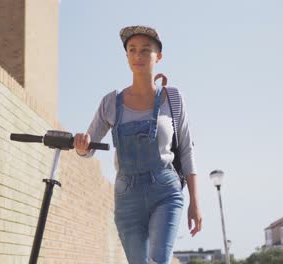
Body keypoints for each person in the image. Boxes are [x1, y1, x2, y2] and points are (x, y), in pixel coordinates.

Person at [73, 25, 202, 264]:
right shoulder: (110, 102)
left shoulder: (173, 99)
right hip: (127, 196)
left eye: (145, 50)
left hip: (165, 190)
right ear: (126, 56)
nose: (138, 56)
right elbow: (89, 146)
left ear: (158, 56)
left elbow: (186, 150)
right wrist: (82, 147)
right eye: (132, 50)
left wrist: (195, 202)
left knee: (159, 260)